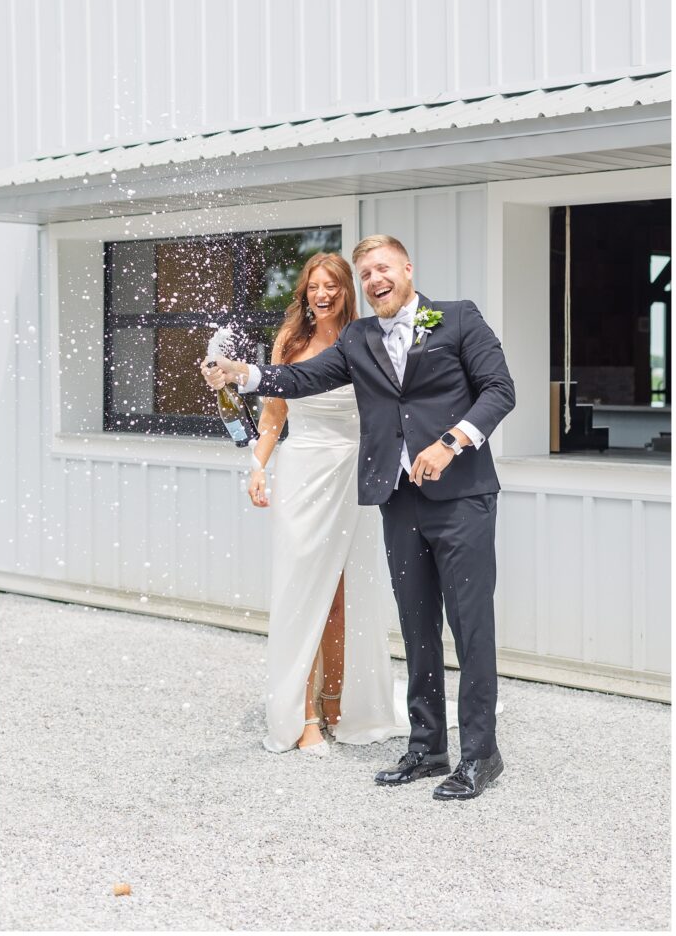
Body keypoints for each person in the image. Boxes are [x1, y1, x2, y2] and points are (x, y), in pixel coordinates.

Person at [204, 234, 515, 801]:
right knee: (418, 629)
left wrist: (451, 441)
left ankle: (480, 755)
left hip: (463, 498)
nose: (375, 279)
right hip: (397, 500)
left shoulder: (459, 318)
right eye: (367, 272)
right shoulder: (359, 337)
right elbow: (301, 380)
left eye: (383, 268)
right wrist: (241, 375)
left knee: (471, 630)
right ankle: (426, 747)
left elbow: (499, 390)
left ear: (407, 268)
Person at [203, 252, 409, 756]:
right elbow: (274, 413)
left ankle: (339, 698)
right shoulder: (290, 342)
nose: (323, 294)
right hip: (302, 471)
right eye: (315, 286)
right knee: (303, 590)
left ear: (346, 291)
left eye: (333, 286)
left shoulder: (364, 340)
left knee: (344, 595)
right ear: (305, 291)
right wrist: (257, 465)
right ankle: (305, 714)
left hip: (352, 474)